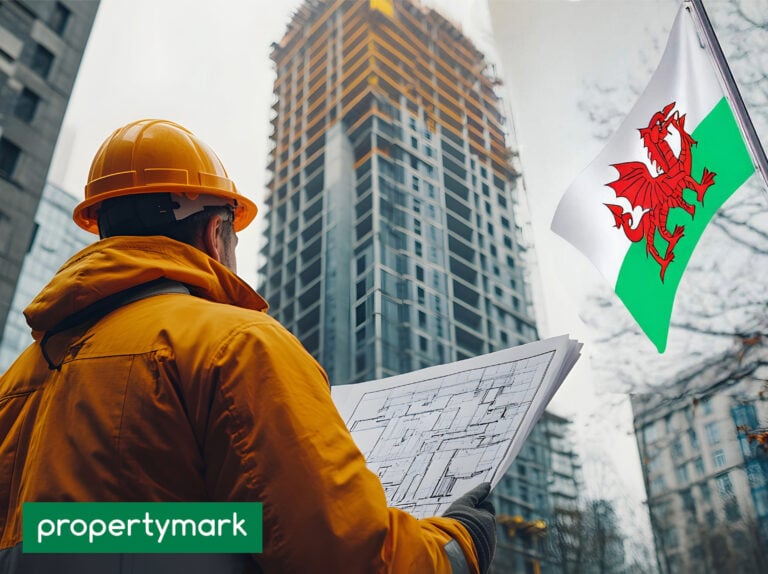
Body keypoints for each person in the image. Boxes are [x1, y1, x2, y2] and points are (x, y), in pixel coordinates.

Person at [0, 119, 495, 573]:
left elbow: (94, 535)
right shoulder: (236, 344)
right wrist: (458, 547)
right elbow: (346, 557)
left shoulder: (17, 380)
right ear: (216, 234)